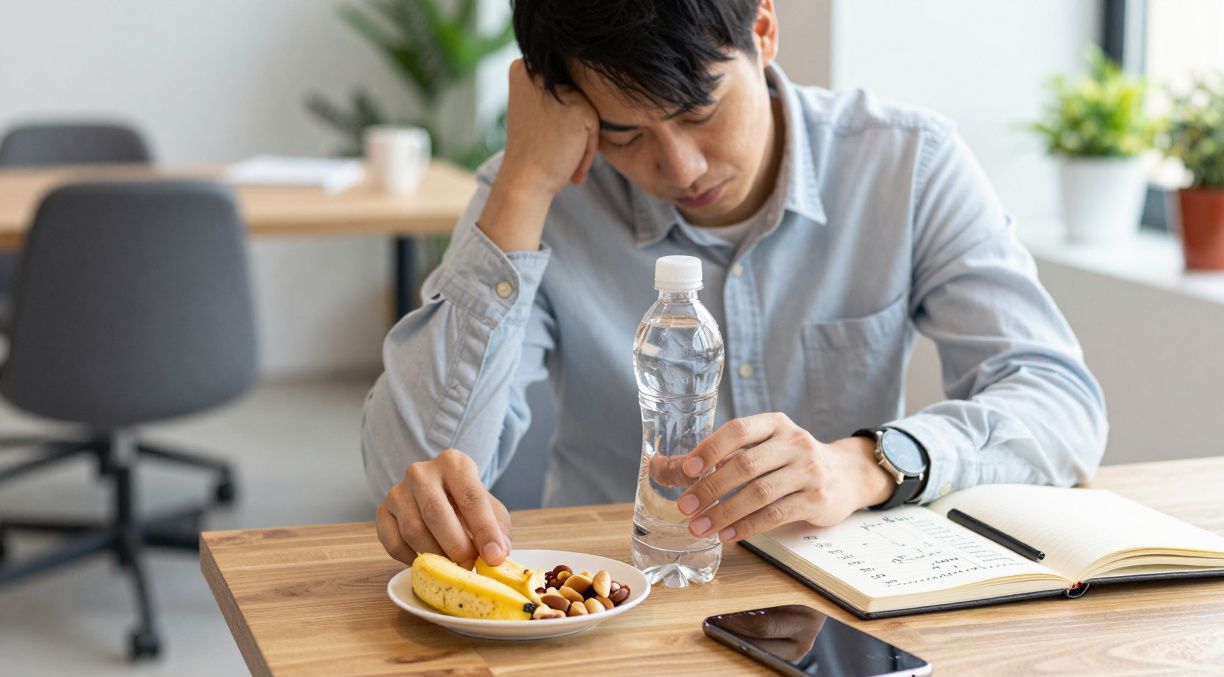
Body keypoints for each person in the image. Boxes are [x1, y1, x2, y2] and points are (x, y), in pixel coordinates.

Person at [362, 0, 1108, 569]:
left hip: (846, 596)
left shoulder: (905, 165)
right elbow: (417, 477)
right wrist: (522, 184)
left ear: (763, 30)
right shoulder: (539, 196)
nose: (680, 169)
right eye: (624, 133)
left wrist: (869, 461)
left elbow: (1058, 401)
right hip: (617, 596)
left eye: (700, 112)